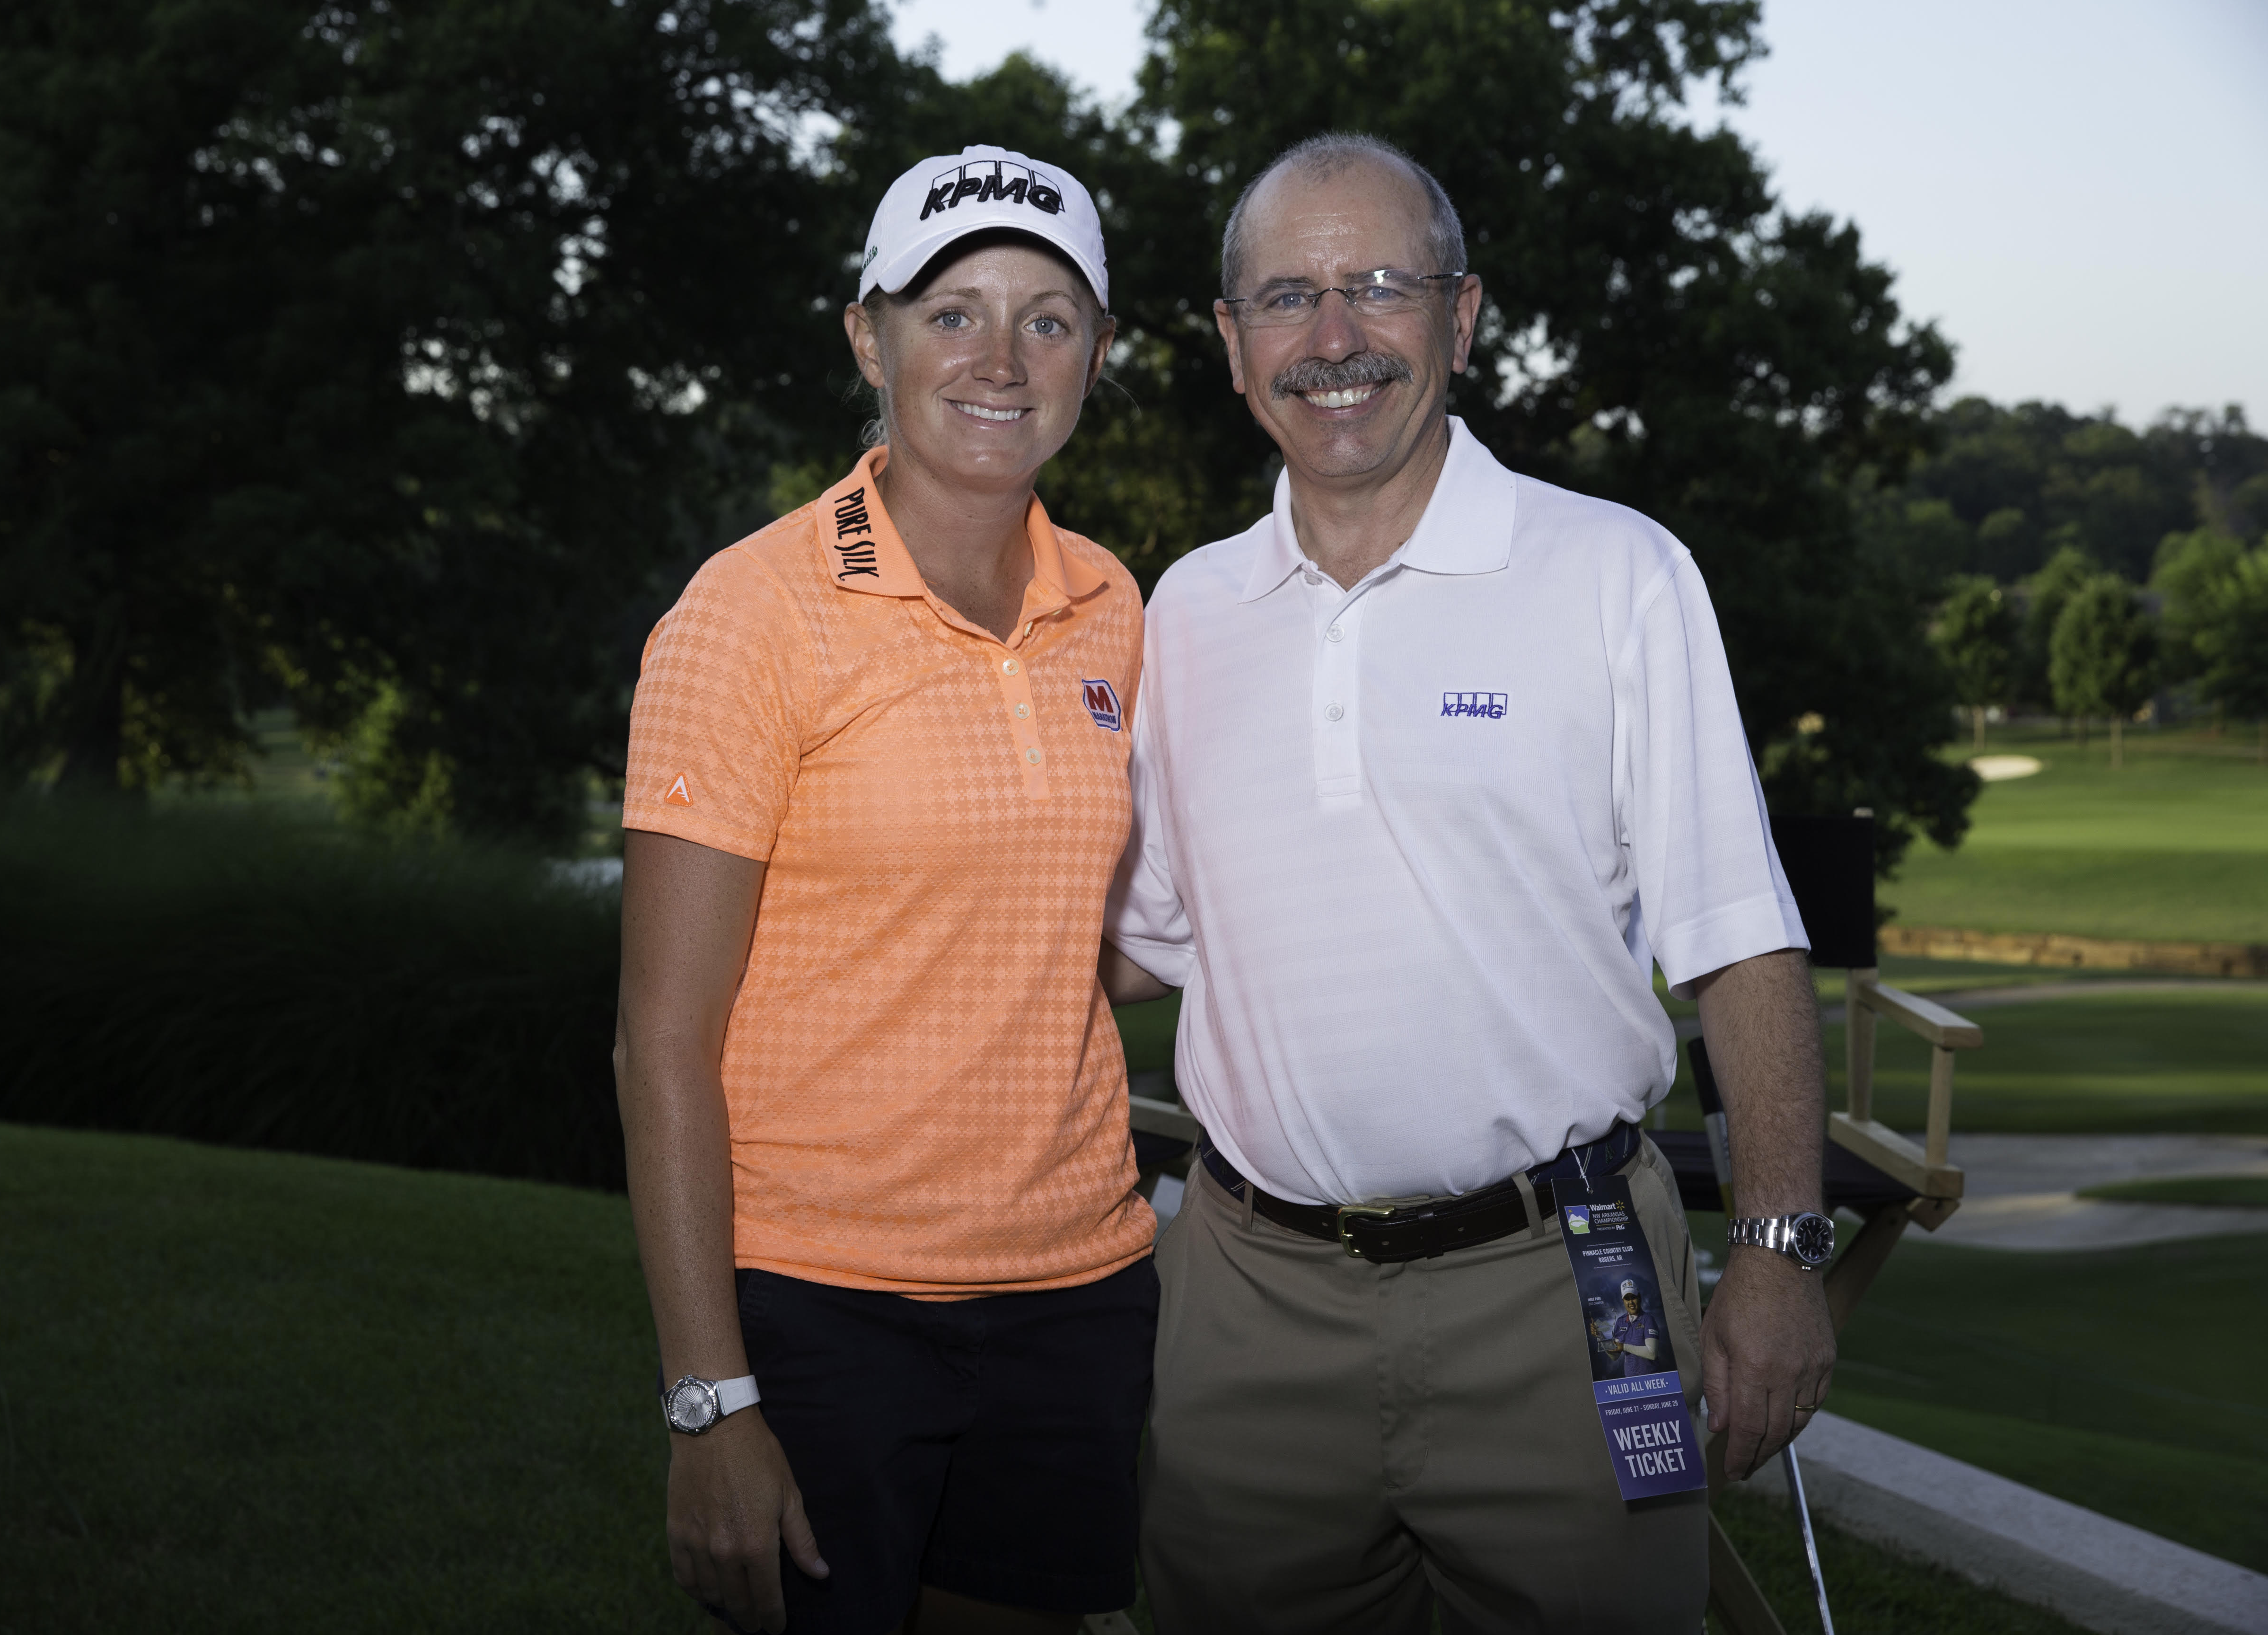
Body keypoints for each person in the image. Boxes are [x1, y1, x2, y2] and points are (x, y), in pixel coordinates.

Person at [1102, 132, 1840, 1633]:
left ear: (1464, 314)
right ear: (1234, 344)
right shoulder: (1185, 612)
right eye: (1288, 297)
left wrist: (1777, 1252)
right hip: (1249, 1304)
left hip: (1563, 1294)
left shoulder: (1617, 573)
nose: (1335, 336)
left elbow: (1740, 940)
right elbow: (1140, 940)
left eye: (1381, 285)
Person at [616, 146, 1156, 1635]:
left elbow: (1075, 930)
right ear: (870, 337)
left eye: (1049, 319)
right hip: (821, 1302)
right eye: (952, 311)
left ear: (1097, 353)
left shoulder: (1114, 607)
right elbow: (660, 1041)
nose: (1001, 359)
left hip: (1074, 1289)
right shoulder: (751, 614)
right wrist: (710, 1395)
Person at [1606, 1280, 1665, 1377]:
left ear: (1639, 1297)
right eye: (1627, 1299)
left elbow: (1652, 1354)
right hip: (1631, 1381)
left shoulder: (1648, 1319)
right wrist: (1601, 1337)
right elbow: (1615, 1356)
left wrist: (1624, 1347)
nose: (1631, 1302)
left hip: (1651, 1379)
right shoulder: (1620, 1322)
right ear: (1623, 1301)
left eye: (1633, 1297)